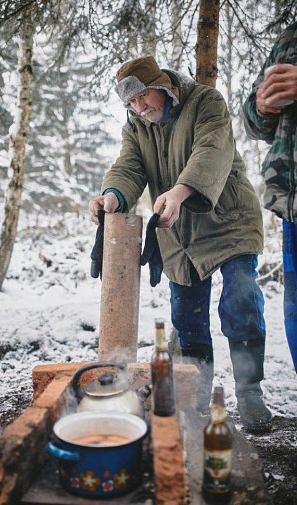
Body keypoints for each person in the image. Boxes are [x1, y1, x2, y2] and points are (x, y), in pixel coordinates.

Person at [89, 55, 272, 433]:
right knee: (186, 316)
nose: (139, 109)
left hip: (227, 219)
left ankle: (250, 390)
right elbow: (129, 166)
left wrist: (180, 191)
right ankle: (196, 392)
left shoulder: (206, 102)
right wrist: (112, 196)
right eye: (131, 104)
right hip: (178, 230)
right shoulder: (137, 126)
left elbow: (211, 151)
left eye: (143, 98)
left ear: (163, 85)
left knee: (240, 301)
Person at [243, 22, 297, 373]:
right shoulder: (291, 36)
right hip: (291, 208)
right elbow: (253, 125)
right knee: (295, 311)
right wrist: (261, 107)